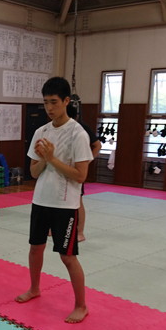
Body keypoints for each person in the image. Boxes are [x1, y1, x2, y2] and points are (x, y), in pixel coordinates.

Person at [14, 77, 94, 323]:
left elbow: (81, 176)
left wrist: (52, 158)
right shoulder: (41, 131)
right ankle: (35, 288)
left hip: (65, 205)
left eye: (54, 102)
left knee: (67, 257)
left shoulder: (77, 134)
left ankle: (81, 305)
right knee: (35, 247)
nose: (49, 108)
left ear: (66, 101)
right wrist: (43, 159)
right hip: (41, 200)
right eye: (46, 102)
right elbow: (34, 173)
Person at [67, 103, 103, 242]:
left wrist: (87, 161)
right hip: (62, 168)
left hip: (76, 169)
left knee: (77, 200)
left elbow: (98, 145)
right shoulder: (57, 128)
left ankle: (80, 232)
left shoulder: (81, 128)